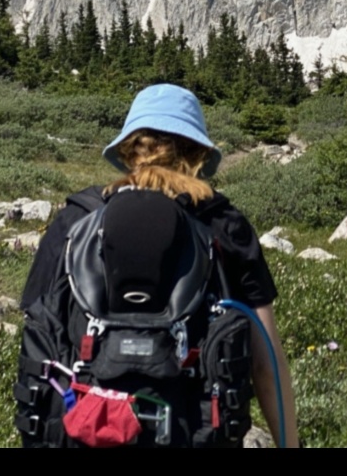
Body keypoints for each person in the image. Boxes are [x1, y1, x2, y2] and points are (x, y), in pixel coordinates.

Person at [19, 83, 298, 448]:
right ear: (198, 152)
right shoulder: (225, 224)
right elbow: (267, 364)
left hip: (85, 432)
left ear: (129, 150)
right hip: (195, 433)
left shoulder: (77, 219)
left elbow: (38, 336)